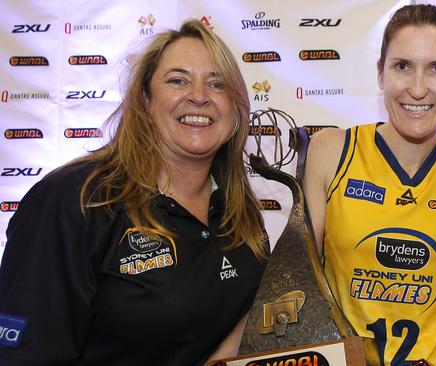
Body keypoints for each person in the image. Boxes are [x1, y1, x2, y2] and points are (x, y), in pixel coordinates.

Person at [0, 19, 268, 365]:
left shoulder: (236, 207)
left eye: (217, 85)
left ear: (235, 109)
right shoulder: (75, 200)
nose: (199, 96)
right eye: (177, 80)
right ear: (145, 100)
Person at [304, 4, 436, 365]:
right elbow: (301, 286)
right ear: (380, 73)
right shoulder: (331, 152)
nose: (418, 88)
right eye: (402, 66)